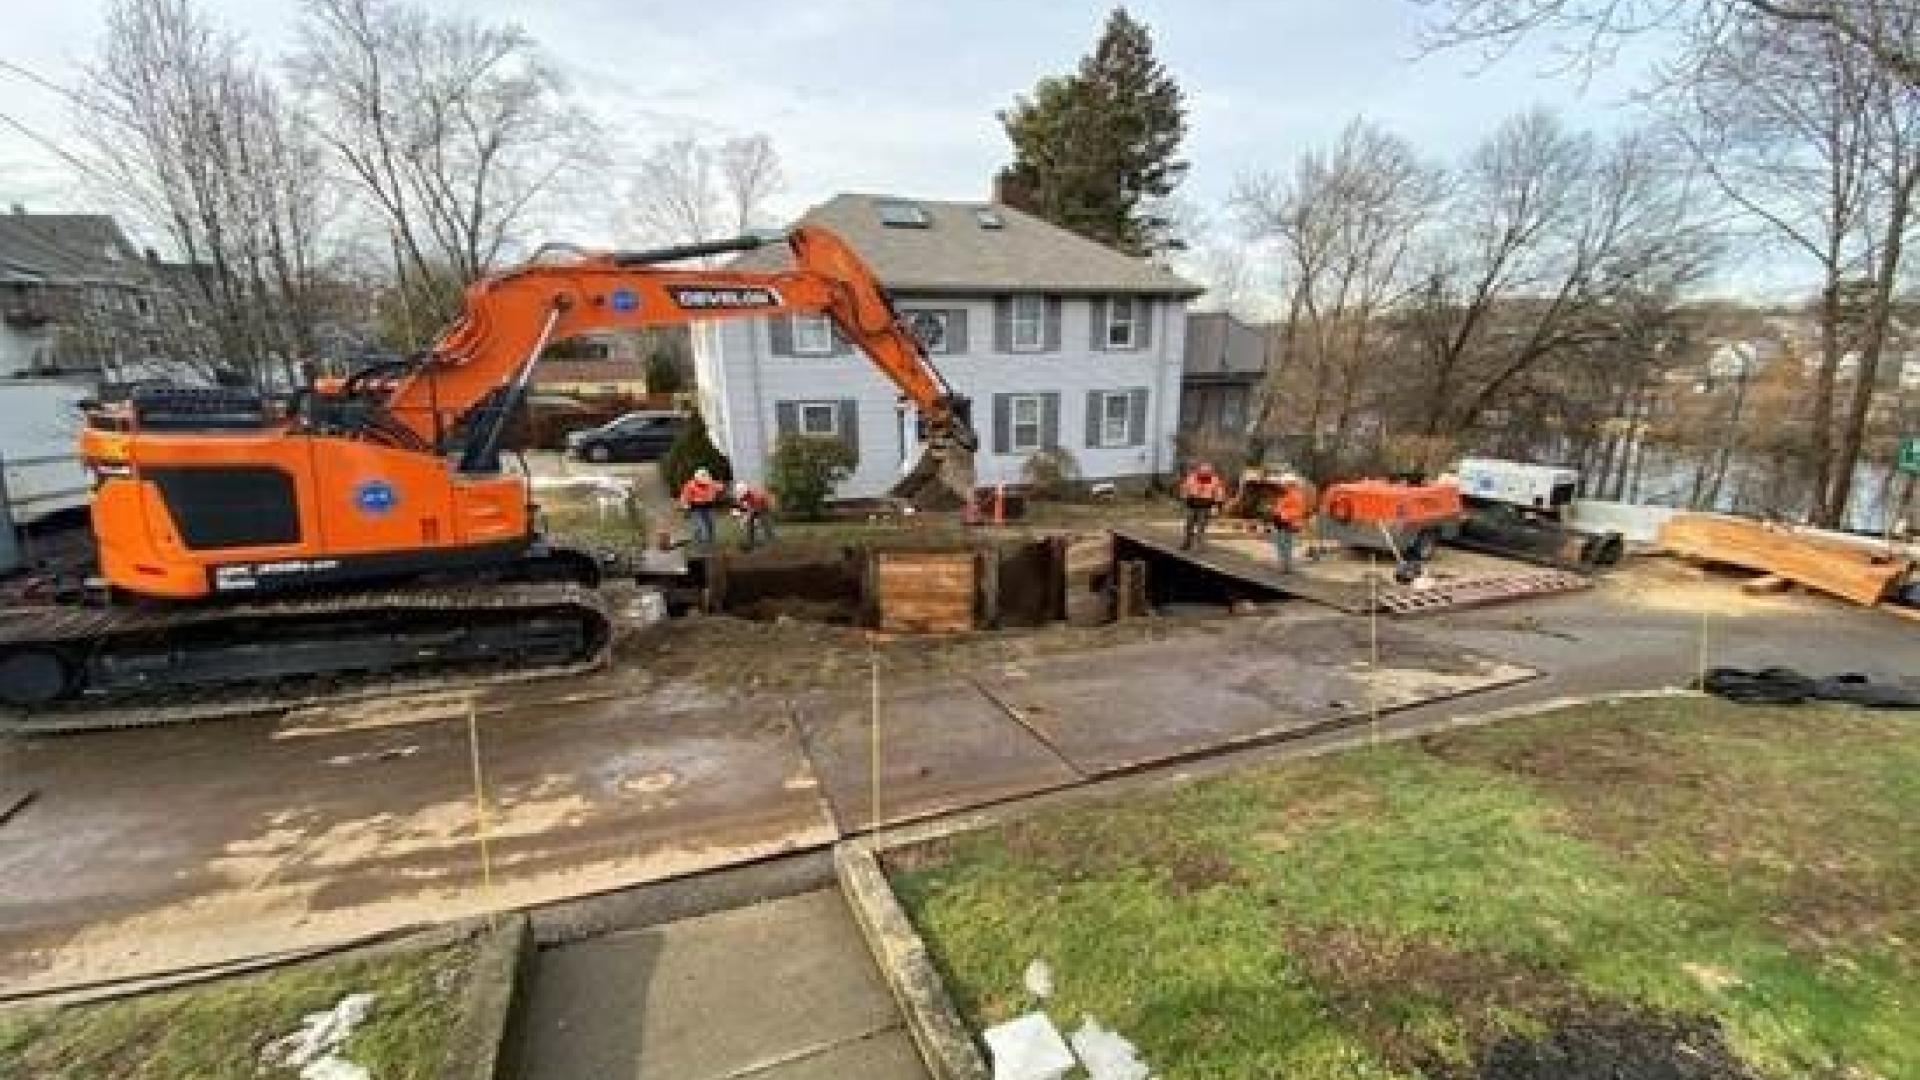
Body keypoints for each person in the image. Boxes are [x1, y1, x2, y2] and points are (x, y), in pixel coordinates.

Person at [1180, 462, 1227, 550]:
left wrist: (1217, 505)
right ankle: (1187, 542)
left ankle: (1199, 545)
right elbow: (1185, 488)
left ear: (1211, 472)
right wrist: (1184, 498)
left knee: (1201, 526)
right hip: (1192, 504)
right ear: (1199, 470)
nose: (1205, 473)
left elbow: (1219, 493)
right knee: (1189, 525)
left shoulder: (1215, 480)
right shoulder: (1192, 477)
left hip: (1205, 506)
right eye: (1203, 471)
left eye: (1207, 471)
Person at [1271, 476, 1312, 573]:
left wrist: (1282, 515)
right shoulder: (1288, 494)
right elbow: (1281, 507)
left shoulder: (1294, 495)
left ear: (1290, 484)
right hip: (1283, 523)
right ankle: (1285, 566)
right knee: (1284, 545)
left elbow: (1297, 511)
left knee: (1283, 545)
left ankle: (1284, 567)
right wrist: (1277, 513)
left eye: (1285, 483)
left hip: (1287, 523)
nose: (1282, 485)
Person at [678, 467, 725, 548]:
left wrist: (721, 490)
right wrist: (686, 508)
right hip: (696, 509)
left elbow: (721, 487)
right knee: (702, 527)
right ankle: (701, 546)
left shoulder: (711, 483)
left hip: (709, 507)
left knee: (711, 526)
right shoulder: (690, 486)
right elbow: (684, 498)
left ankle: (710, 544)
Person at [733, 481, 776, 551]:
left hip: (765, 506)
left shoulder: (755, 495)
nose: (742, 497)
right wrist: (737, 513)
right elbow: (740, 505)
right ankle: (750, 541)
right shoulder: (743, 496)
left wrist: (747, 516)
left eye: (742, 495)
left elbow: (756, 508)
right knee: (750, 525)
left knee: (766, 523)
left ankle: (772, 540)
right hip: (755, 507)